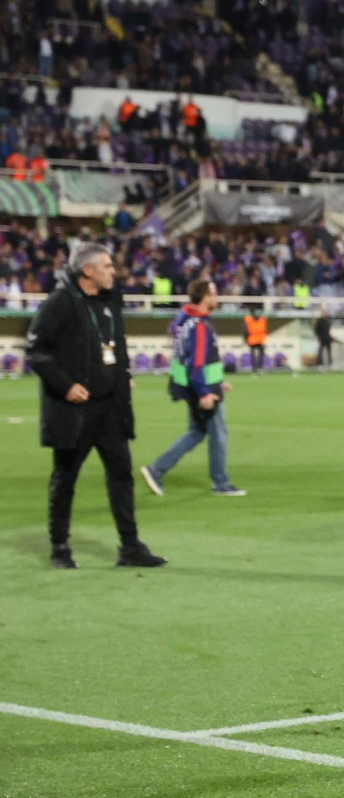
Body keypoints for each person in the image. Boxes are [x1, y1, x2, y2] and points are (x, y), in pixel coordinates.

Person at [27, 241, 165, 569]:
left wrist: (123, 375)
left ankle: (130, 546)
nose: (114, 272)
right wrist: (66, 386)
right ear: (87, 271)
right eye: (107, 267)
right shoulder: (60, 302)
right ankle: (59, 546)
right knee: (66, 477)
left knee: (121, 475)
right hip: (75, 410)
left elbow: (117, 347)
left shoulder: (109, 300)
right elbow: (36, 351)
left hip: (110, 408)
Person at [141, 279, 245, 498]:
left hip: (191, 386)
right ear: (205, 297)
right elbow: (195, 362)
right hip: (200, 388)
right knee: (218, 433)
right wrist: (205, 391)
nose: (217, 298)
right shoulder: (198, 326)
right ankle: (220, 482)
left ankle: (156, 470)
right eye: (214, 293)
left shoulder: (184, 321)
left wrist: (216, 382)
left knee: (196, 432)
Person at [243, 309, 268, 375]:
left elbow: (245, 330)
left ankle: (257, 368)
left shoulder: (261, 319)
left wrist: (245, 339)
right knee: (256, 355)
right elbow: (246, 330)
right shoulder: (250, 319)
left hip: (257, 339)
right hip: (254, 339)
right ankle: (257, 368)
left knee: (257, 355)